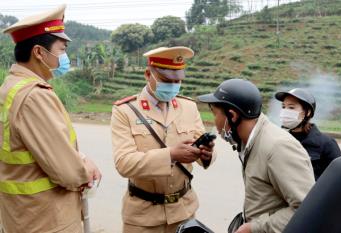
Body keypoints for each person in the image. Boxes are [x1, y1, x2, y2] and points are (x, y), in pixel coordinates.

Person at [0, 5, 101, 233]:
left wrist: (79, 157)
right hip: (47, 220)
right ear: (39, 52)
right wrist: (85, 168)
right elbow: (68, 172)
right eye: (62, 49)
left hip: (21, 216)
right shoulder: (34, 95)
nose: (64, 56)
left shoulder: (10, 87)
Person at [111, 46, 215, 233]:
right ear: (148, 74)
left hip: (184, 211)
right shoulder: (125, 111)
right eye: (167, 81)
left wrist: (206, 154)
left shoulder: (189, 107)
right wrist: (171, 155)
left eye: (178, 81)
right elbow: (124, 163)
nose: (174, 86)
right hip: (143, 218)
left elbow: (204, 155)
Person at [197, 79, 315, 233]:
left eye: (215, 114)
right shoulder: (251, 142)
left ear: (232, 116)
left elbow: (306, 210)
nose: (215, 123)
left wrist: (254, 228)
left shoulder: (277, 147)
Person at [275, 88, 341, 180]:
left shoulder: (326, 144)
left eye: (291, 107)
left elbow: (338, 179)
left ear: (307, 112)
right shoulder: (280, 141)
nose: (285, 111)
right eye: (283, 107)